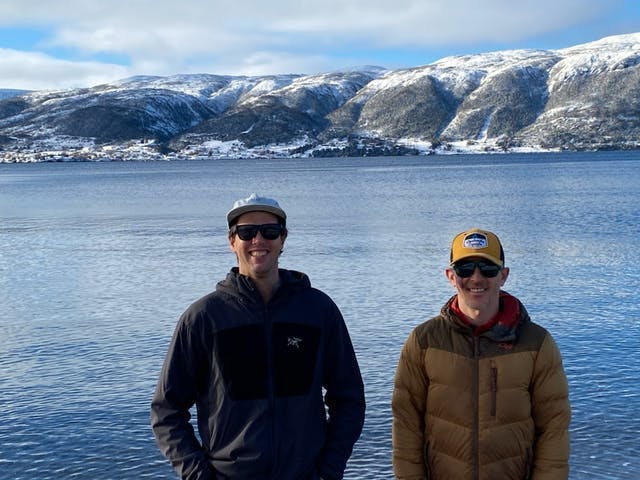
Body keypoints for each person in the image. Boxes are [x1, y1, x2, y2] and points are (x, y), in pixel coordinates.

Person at [150, 193, 365, 480]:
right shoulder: (203, 318)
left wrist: (329, 469)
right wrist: (198, 475)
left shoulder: (318, 310)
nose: (258, 240)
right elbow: (167, 410)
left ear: (283, 239)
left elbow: (348, 398)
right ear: (232, 242)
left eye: (270, 231)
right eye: (246, 232)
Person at [392, 228, 571, 480]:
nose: (476, 278)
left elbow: (554, 428)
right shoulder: (423, 341)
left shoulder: (538, 344)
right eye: (465, 268)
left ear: (503, 276)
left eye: (487, 268)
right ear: (451, 276)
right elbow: (406, 425)